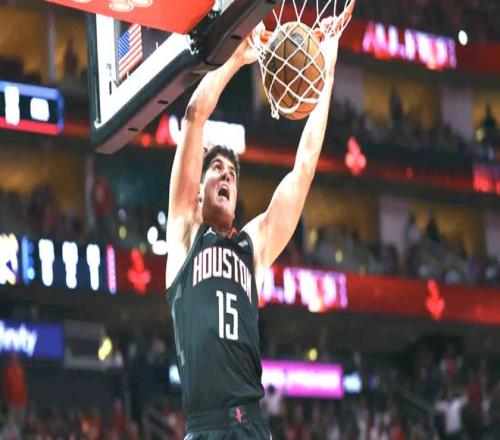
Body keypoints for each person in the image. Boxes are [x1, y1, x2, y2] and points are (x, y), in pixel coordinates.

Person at [165, 19, 342, 440]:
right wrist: (235, 59)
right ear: (198, 192)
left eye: (232, 173)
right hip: (205, 427)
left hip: (253, 425)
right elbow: (194, 116)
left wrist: (326, 71)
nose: (227, 176)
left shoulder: (253, 246)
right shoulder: (184, 234)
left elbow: (303, 170)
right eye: (217, 169)